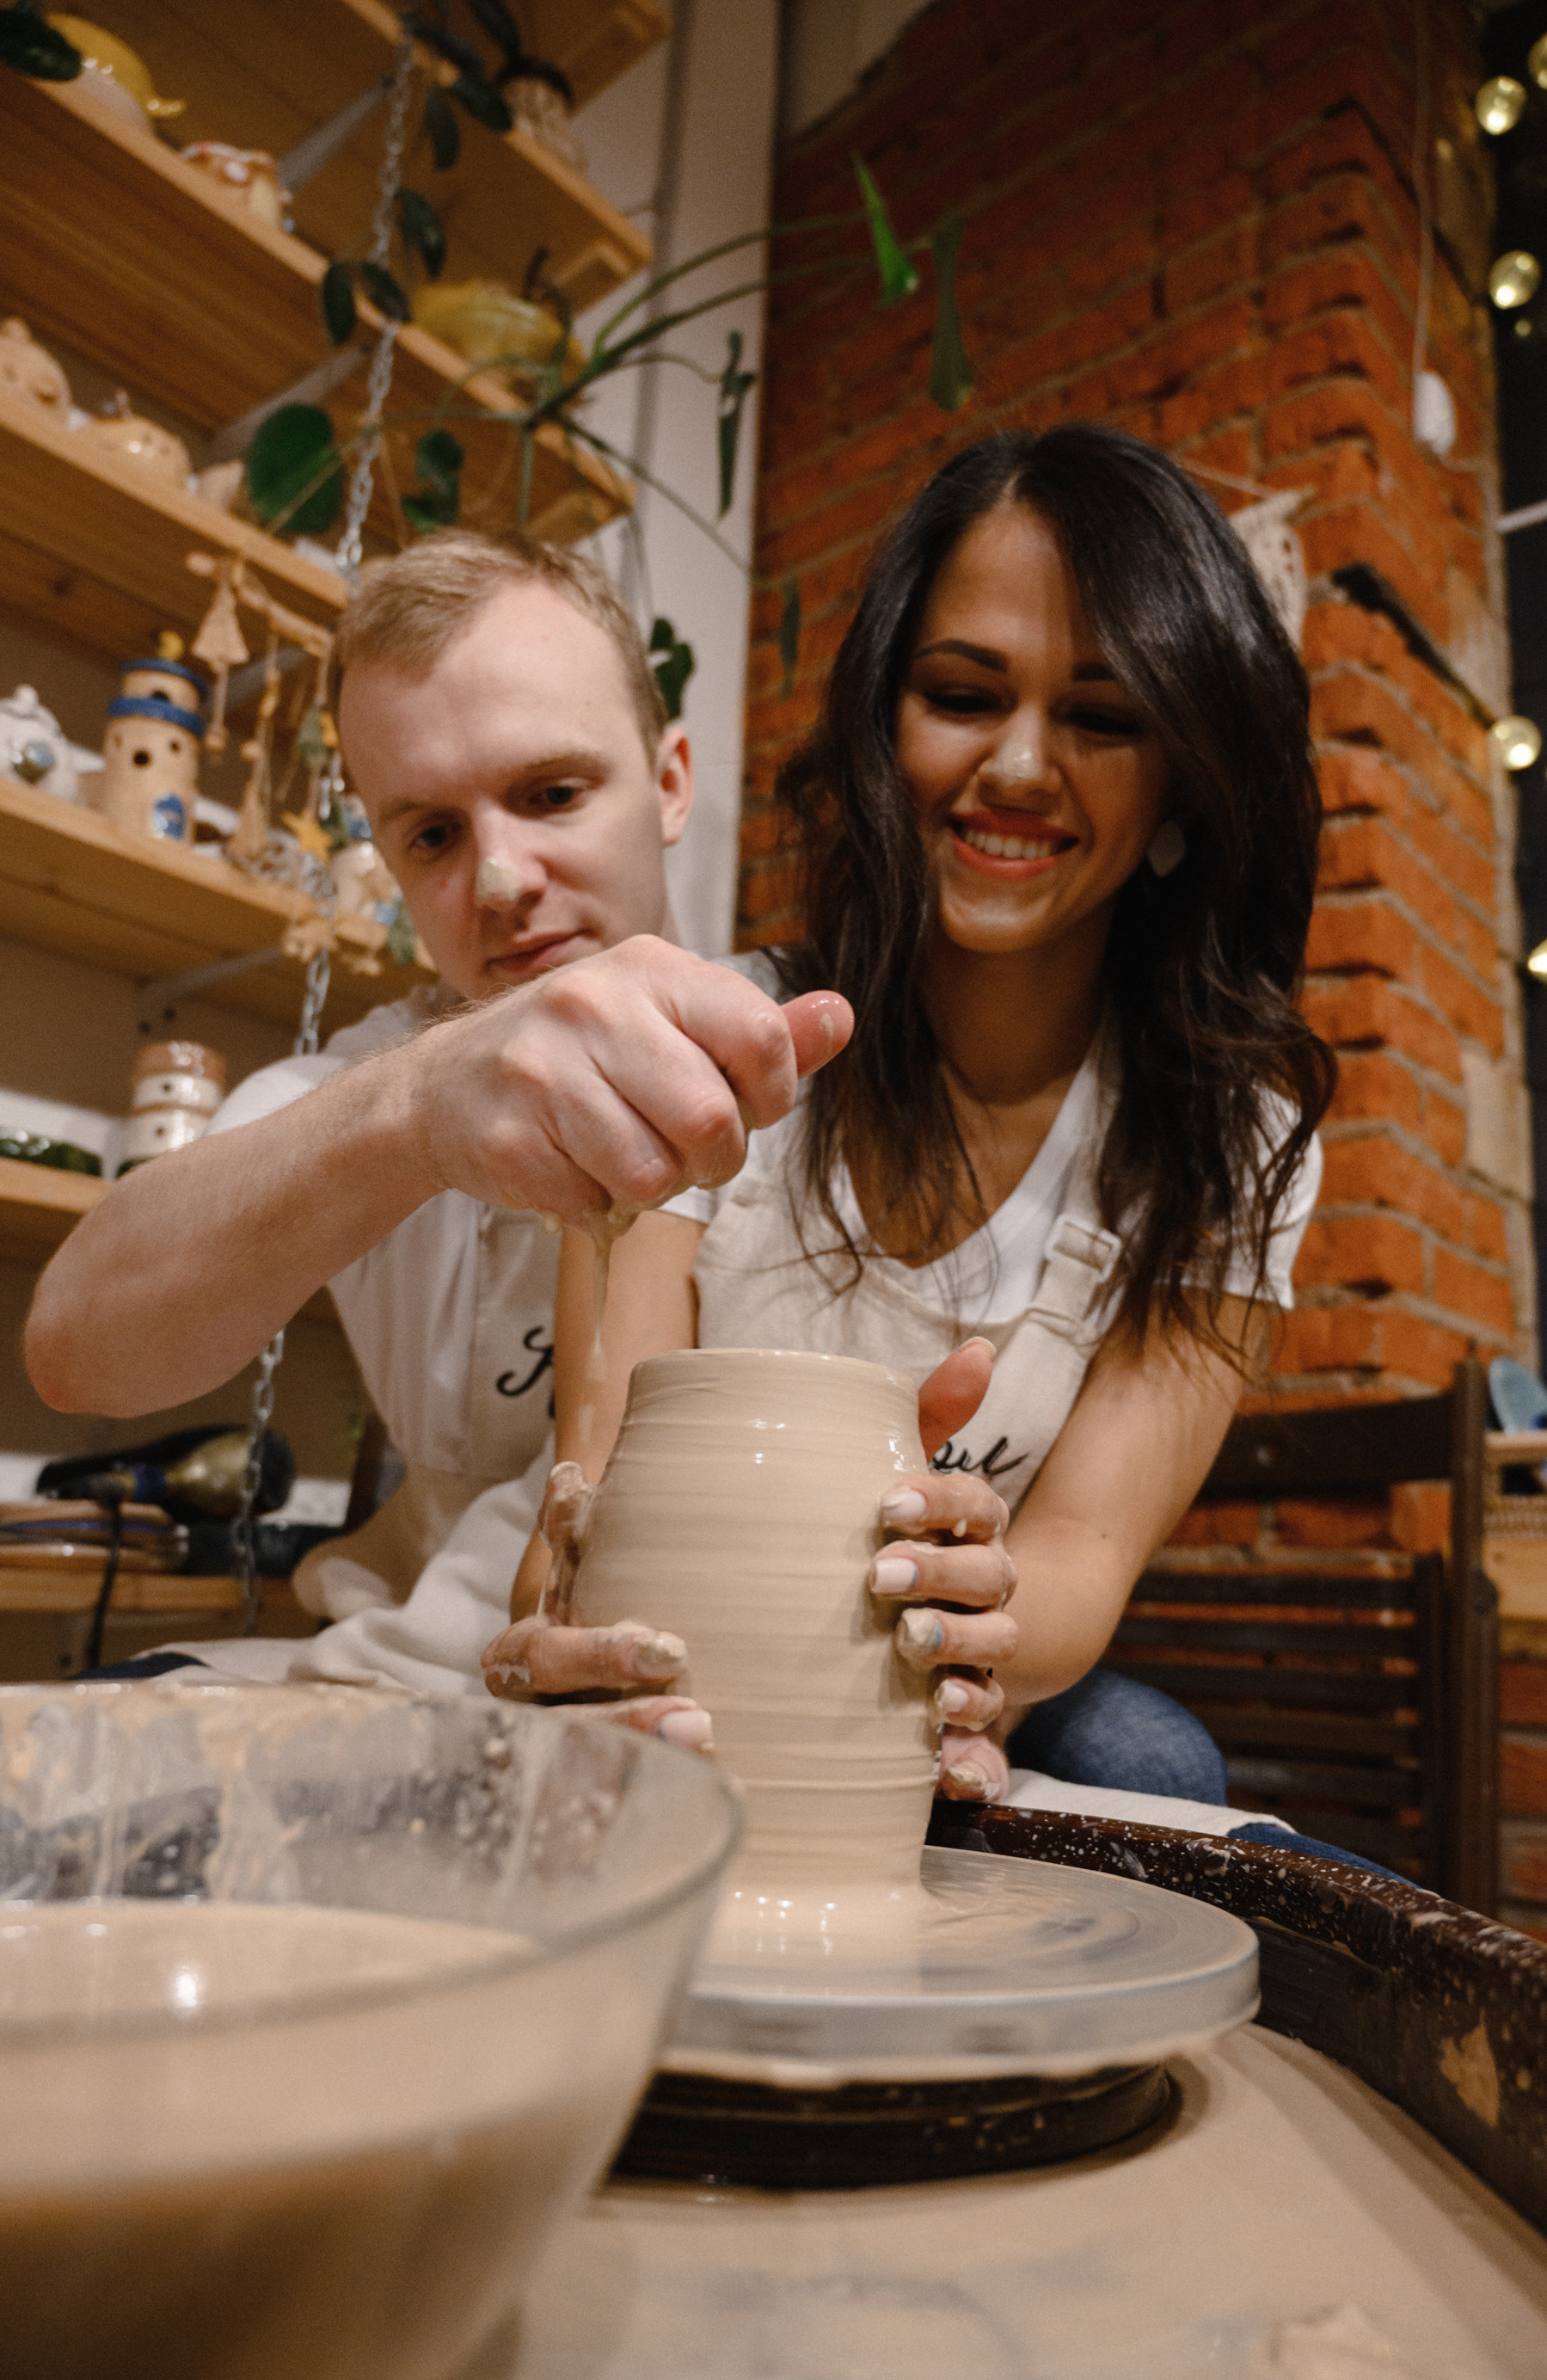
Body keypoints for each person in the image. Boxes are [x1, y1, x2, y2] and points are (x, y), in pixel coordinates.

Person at [488, 424, 1336, 1819]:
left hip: (961, 1666)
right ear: (885, 723)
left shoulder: (1229, 1145)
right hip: (688, 1633)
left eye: (1103, 718)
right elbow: (587, 1495)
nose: (1021, 766)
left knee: (1154, 1761)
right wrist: (577, 1638)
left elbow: (1078, 1561)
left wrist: (964, 1610)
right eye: (963, 695)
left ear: (1182, 786)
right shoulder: (704, 1046)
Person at [24, 532, 851, 1687]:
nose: (503, 881)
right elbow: (76, 1350)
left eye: (552, 794)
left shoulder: (826, 1057)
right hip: (407, 1675)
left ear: (670, 783)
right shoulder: (374, 1083)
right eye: (433, 835)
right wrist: (416, 1110)